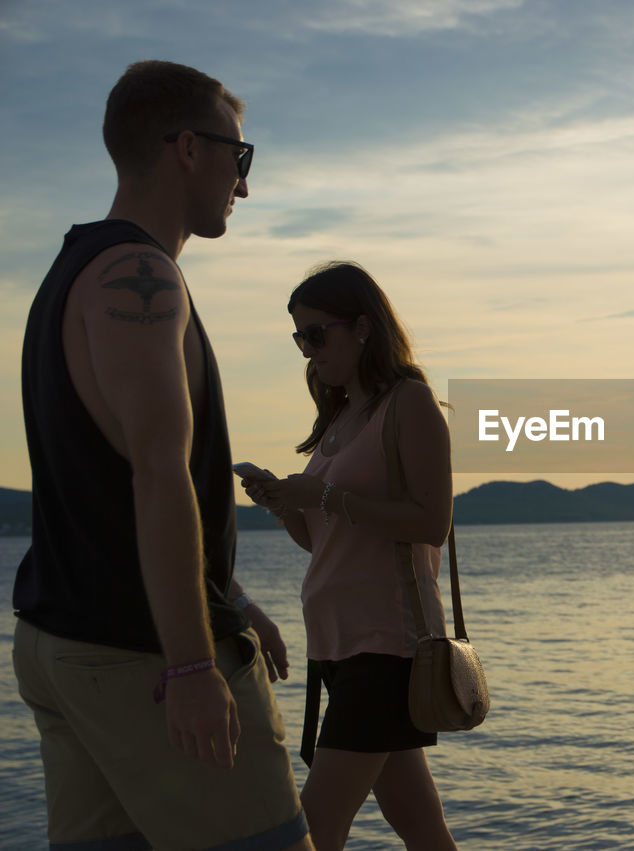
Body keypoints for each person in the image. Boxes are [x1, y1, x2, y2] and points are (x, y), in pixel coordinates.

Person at [12, 60, 312, 848]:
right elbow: (156, 472)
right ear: (188, 148)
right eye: (237, 159)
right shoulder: (139, 275)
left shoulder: (72, 273)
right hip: (138, 654)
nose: (241, 187)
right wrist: (190, 662)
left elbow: (104, 480)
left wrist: (231, 595)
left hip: (65, 642)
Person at [241, 261, 457, 851]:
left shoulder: (408, 404)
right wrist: (285, 504)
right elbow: (323, 542)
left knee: (314, 827)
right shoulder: (337, 418)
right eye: (299, 338)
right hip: (339, 643)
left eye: (317, 334)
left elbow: (431, 524)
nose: (307, 351)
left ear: (362, 327)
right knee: (419, 824)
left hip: (386, 645)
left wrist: (327, 496)